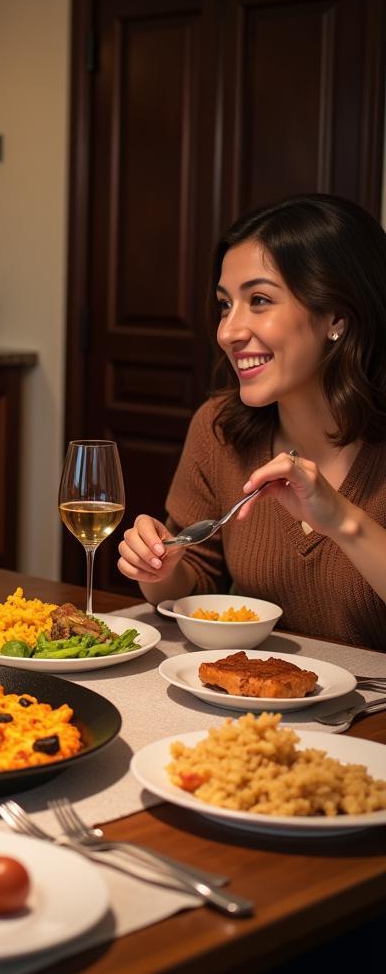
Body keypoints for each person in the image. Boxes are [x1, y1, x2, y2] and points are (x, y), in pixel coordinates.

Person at [118, 193, 386, 646]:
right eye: (225, 305)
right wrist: (161, 569)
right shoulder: (219, 428)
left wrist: (343, 521)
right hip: (265, 705)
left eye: (259, 300)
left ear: (337, 316)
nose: (228, 331)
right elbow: (196, 584)